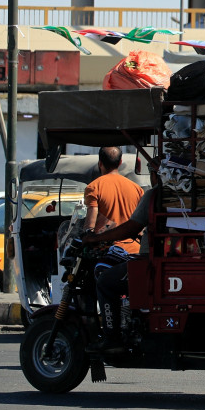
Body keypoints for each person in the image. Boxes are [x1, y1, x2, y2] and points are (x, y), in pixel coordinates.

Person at [80, 147, 144, 353]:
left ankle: (111, 336)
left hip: (114, 250)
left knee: (103, 281)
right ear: (120, 163)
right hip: (137, 251)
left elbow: (90, 225)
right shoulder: (136, 189)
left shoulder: (94, 187)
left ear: (100, 164)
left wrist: (87, 236)